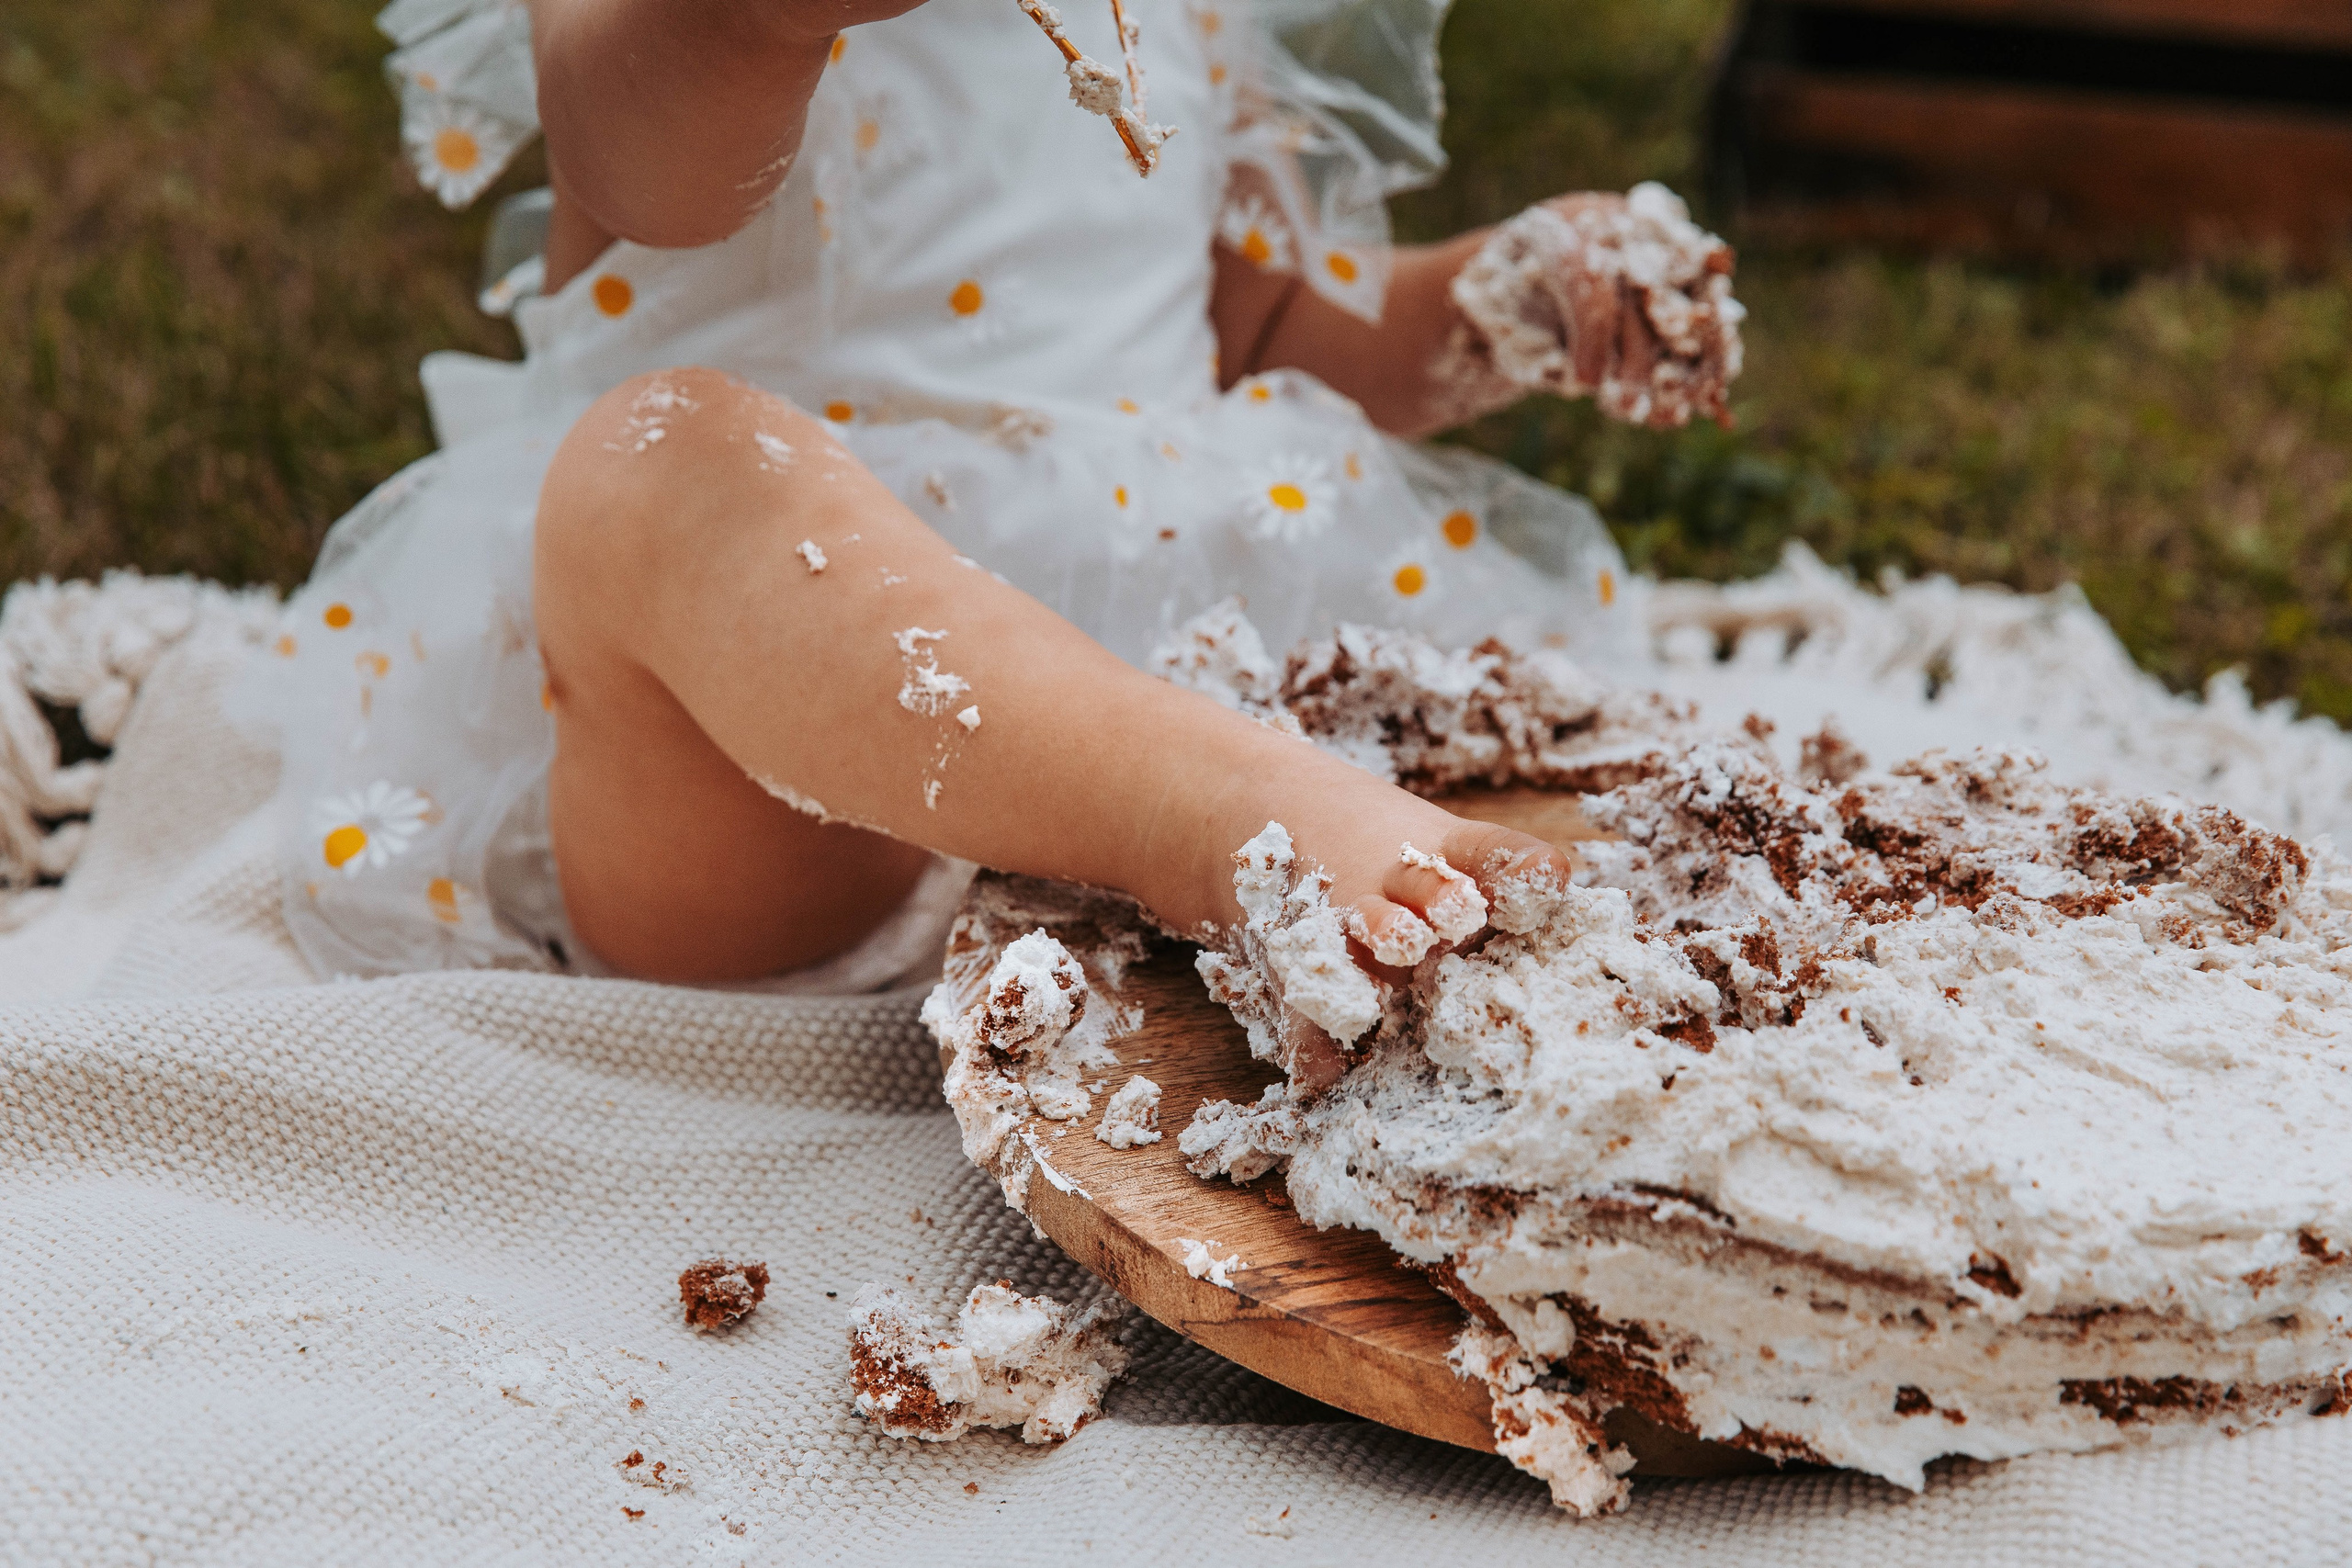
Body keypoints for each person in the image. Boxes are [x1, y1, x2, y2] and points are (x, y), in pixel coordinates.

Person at [244, 0, 1743, 991]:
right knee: (653, 463)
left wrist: (1501, 300)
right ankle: (1216, 819)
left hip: (1158, 647)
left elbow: (1270, 330)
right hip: (788, 771)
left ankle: (1224, 825)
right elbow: (640, 169)